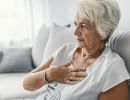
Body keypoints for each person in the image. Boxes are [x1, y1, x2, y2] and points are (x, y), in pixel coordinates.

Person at [23, 0, 130, 100]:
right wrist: (50, 74)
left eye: (83, 26)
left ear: (103, 30)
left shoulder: (111, 67)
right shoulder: (65, 50)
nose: (75, 32)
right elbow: (26, 84)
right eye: (75, 23)